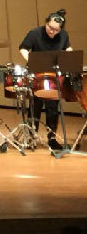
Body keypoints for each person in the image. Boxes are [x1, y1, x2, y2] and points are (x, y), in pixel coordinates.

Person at [19, 9, 72, 152]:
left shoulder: (63, 35)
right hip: (37, 74)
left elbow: (67, 48)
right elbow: (23, 48)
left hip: (54, 75)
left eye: (56, 30)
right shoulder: (35, 33)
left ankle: (52, 138)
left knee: (53, 107)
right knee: (35, 106)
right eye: (50, 28)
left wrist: (69, 57)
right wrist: (32, 61)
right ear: (46, 23)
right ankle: (31, 136)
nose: (52, 32)